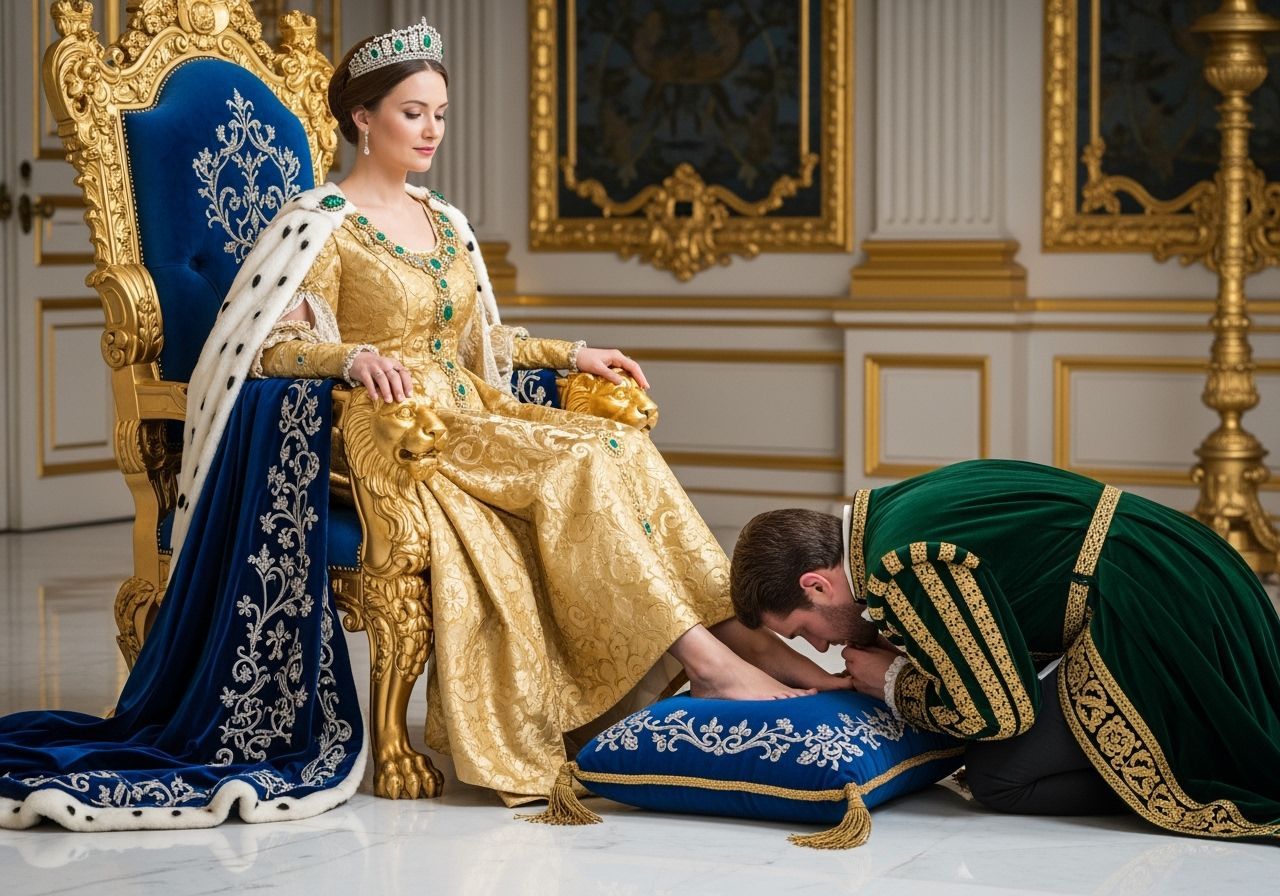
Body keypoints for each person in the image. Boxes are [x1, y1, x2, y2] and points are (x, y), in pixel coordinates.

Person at [0, 19, 848, 832]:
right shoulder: (319, 225)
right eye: (413, 112)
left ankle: (739, 640)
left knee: (615, 440)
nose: (432, 129)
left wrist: (573, 352)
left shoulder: (444, 221)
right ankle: (706, 663)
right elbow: (268, 347)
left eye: (440, 113)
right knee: (578, 464)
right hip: (397, 427)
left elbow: (483, 344)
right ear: (362, 119)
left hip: (473, 411)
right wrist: (350, 358)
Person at [730, 458, 1280, 842]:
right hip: (1187, 567)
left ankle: (1175, 774)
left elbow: (1001, 712)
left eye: (803, 631)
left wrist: (894, 682)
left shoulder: (904, 566)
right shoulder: (888, 514)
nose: (820, 646)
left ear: (815, 585)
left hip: (1156, 608)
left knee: (998, 775)